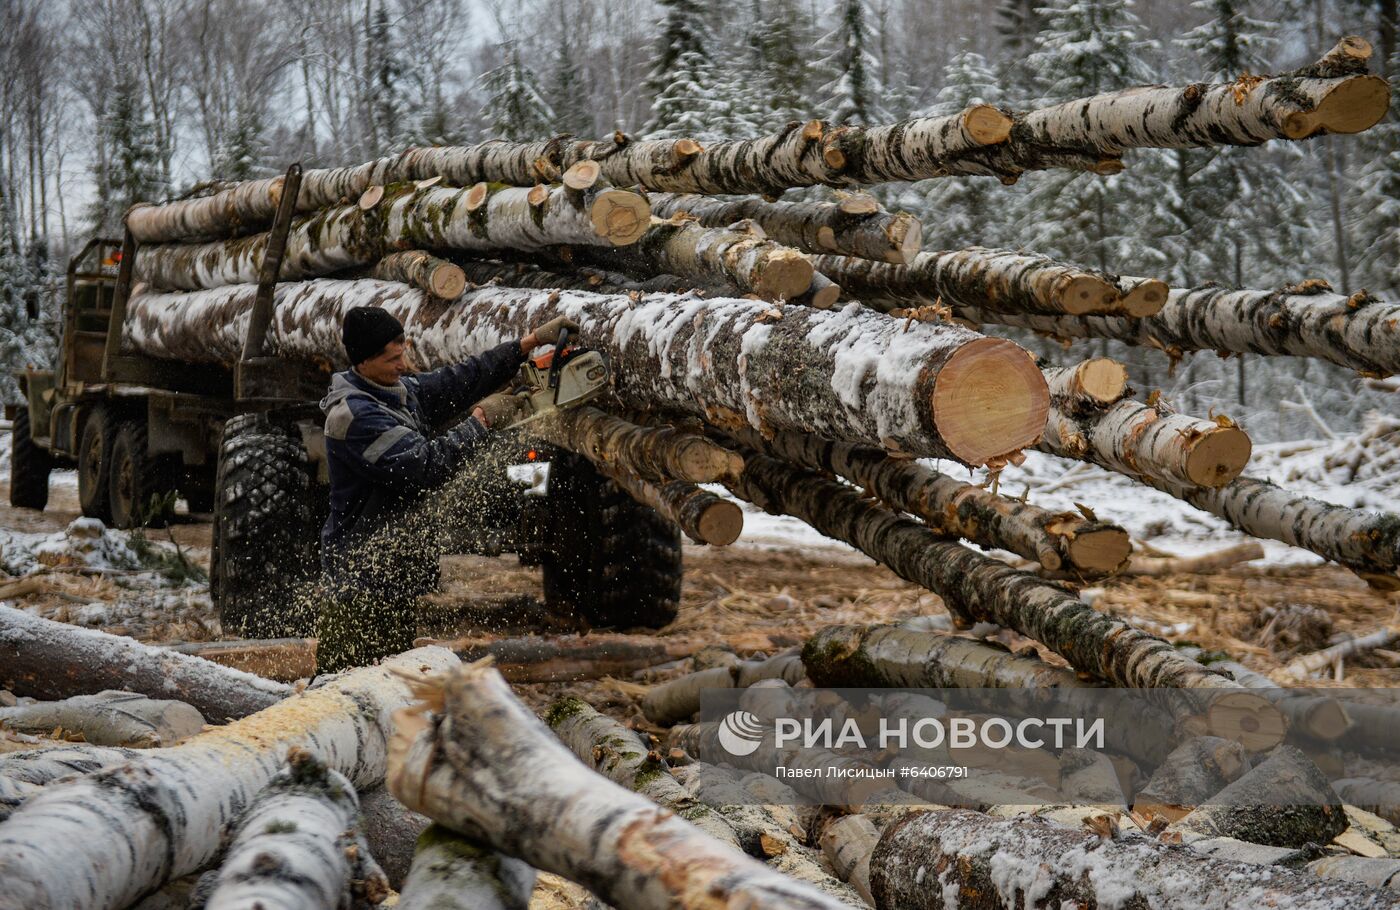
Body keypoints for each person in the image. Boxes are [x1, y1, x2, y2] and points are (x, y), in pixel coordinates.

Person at [315, 305, 578, 673]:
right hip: (361, 583)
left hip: (392, 578)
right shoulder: (355, 417)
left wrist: (527, 344)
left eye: (402, 352)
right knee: (345, 688)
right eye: (392, 359)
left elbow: (461, 379)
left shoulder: (397, 391)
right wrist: (480, 422)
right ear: (364, 361)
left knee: (388, 683)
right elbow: (424, 467)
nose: (403, 365)